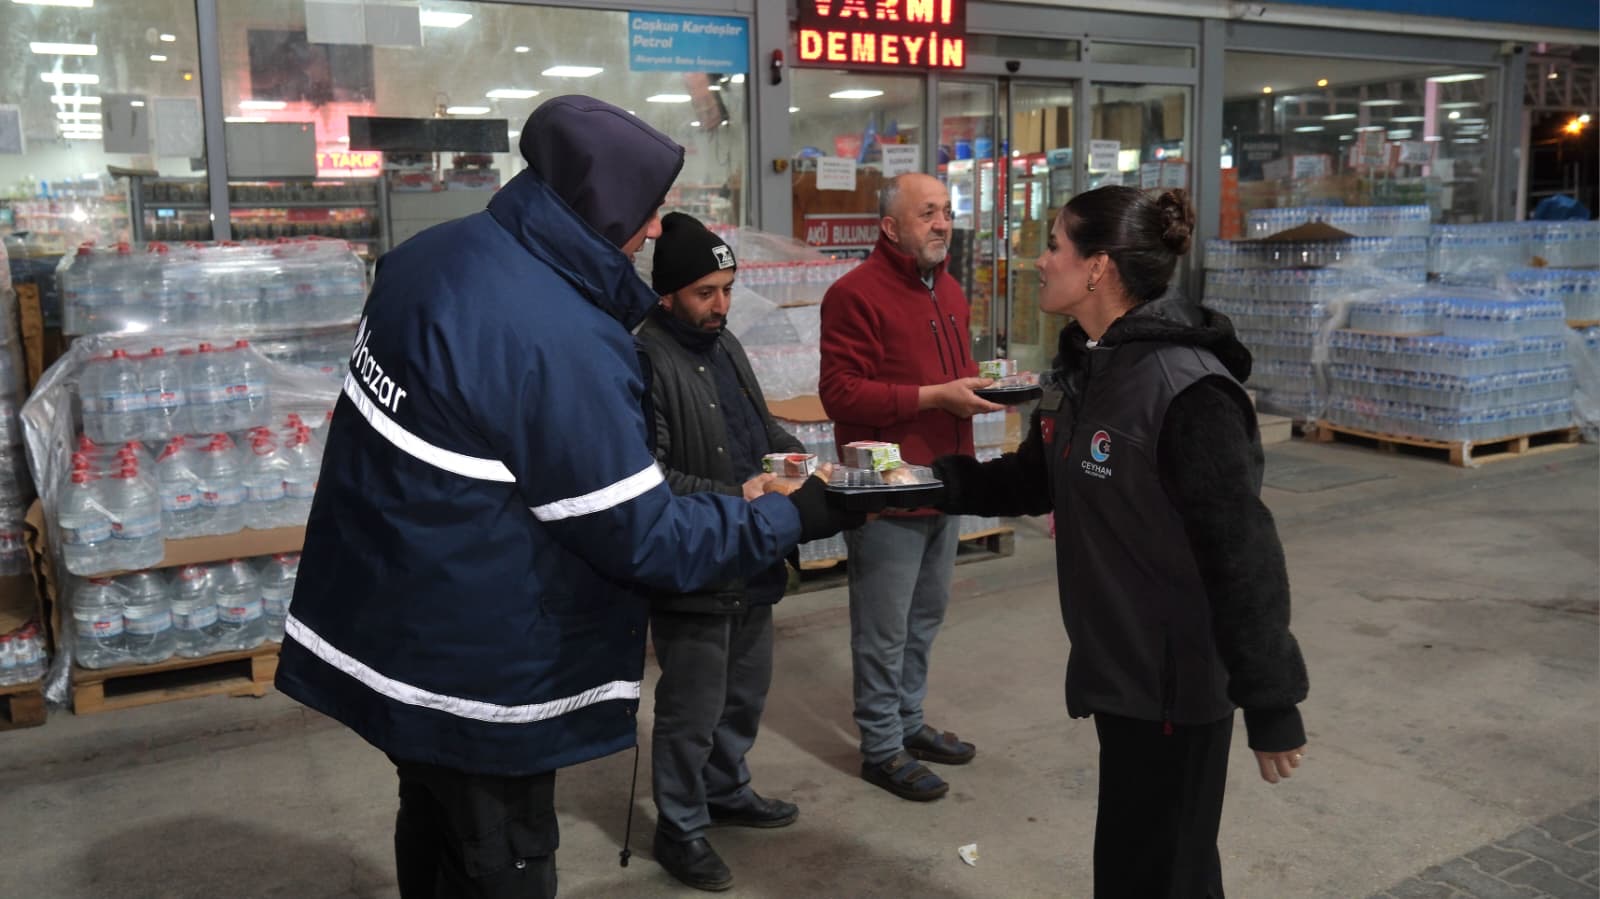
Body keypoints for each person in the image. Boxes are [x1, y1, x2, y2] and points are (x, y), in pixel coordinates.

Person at [276, 95, 857, 899]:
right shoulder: (557, 336)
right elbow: (642, 534)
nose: (657, 231)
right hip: (480, 668)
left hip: (391, 629)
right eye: (650, 211)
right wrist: (791, 513)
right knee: (500, 854)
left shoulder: (429, 257)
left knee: (434, 825)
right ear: (604, 205)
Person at [929, 185, 1310, 898]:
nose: (1038, 261)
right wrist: (915, 485)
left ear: (1098, 266)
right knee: (1138, 867)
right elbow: (1032, 480)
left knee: (1167, 872)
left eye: (1053, 245)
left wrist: (1272, 697)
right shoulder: (1093, 367)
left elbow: (1243, 551)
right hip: (1123, 671)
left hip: (1174, 684)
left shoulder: (1187, 391)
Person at [818, 172, 1005, 802]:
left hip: (946, 482)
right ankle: (880, 748)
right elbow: (840, 392)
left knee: (924, 619)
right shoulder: (854, 294)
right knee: (883, 628)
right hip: (887, 491)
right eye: (927, 213)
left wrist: (984, 387)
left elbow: (951, 377)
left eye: (946, 212)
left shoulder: (948, 289)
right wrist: (935, 397)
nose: (942, 224)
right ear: (890, 227)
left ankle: (907, 721)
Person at [637, 212, 806, 892]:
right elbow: (650, 476)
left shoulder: (726, 343)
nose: (721, 305)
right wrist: (737, 492)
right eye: (707, 292)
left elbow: (760, 424)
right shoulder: (645, 356)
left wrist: (798, 461)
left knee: (745, 693)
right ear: (671, 291)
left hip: (754, 548)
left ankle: (726, 789)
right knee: (692, 708)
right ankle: (678, 826)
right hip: (697, 557)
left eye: (728, 289)